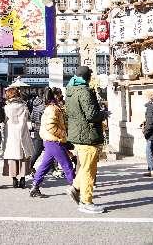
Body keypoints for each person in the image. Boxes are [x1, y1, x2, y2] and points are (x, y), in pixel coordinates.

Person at [65, 66, 109, 214]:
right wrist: (103, 114)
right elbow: (91, 115)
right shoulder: (84, 92)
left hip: (78, 134)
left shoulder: (70, 91)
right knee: (89, 170)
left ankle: (75, 188)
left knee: (84, 167)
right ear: (87, 77)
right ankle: (86, 202)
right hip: (88, 135)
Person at [29, 87, 76, 199]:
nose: (61, 97)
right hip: (54, 141)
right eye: (60, 95)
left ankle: (35, 187)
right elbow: (50, 126)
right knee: (67, 165)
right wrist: (62, 134)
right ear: (55, 96)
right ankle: (76, 188)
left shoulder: (50, 107)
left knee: (44, 166)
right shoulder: (53, 108)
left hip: (50, 141)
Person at [2, 86, 34, 189]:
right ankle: (23, 179)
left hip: (11, 135)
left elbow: (4, 120)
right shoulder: (24, 106)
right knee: (23, 157)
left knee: (12, 157)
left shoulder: (6, 107)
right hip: (22, 134)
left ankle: (14, 179)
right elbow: (27, 118)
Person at [28, 89, 46, 174]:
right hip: (42, 128)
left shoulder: (35, 103)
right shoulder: (43, 105)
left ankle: (52, 167)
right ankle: (29, 167)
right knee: (38, 150)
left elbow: (32, 116)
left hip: (36, 128)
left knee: (40, 150)